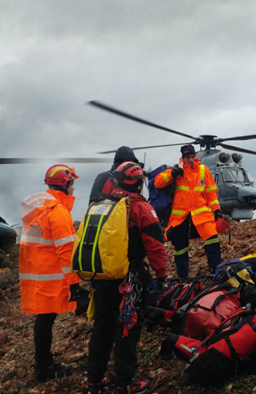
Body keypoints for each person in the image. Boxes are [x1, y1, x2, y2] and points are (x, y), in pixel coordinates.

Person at [87, 162, 167, 394]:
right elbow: (155, 246)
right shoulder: (141, 208)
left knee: (102, 327)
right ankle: (125, 384)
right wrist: (161, 275)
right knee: (127, 328)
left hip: (102, 276)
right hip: (130, 278)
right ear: (140, 183)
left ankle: (93, 383)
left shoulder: (100, 204)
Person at [19, 164, 81, 382]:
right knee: (45, 321)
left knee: (43, 320)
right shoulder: (57, 213)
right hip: (51, 276)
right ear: (65, 185)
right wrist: (74, 283)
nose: (74, 190)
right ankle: (44, 367)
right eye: (72, 185)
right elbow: (66, 251)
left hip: (37, 275)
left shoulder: (39, 209)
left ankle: (42, 364)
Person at [154, 145, 223, 281]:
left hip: (202, 214)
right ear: (183, 158)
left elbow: (211, 192)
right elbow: (158, 182)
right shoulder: (176, 171)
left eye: (192, 157)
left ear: (195, 156)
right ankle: (183, 276)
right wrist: (171, 173)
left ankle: (216, 272)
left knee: (212, 240)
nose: (190, 160)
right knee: (180, 248)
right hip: (181, 216)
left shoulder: (203, 171)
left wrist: (216, 209)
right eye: (187, 158)